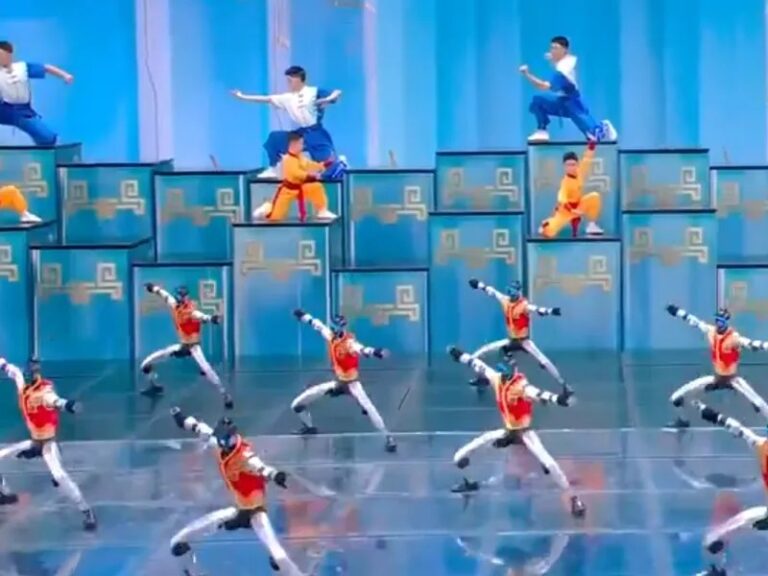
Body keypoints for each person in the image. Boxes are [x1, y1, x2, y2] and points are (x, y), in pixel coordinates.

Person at [446, 347, 585, 518]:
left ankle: (573, 498)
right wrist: (460, 356)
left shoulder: (520, 385)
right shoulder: (496, 379)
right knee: (461, 456)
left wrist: (557, 399)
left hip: (525, 433)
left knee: (550, 464)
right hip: (508, 431)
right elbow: (476, 364)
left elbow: (538, 393)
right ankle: (471, 482)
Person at [168, 408, 303, 575]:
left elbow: (259, 466)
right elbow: (199, 428)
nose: (228, 441)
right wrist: (181, 419)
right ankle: (181, 546)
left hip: (255, 510)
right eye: (225, 438)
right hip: (240, 507)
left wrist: (275, 475)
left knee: (276, 551)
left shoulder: (244, 455)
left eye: (230, 437)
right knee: (205, 524)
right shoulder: (217, 442)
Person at [0, 357, 97, 531]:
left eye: (35, 370)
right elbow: (11, 370)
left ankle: (86, 511)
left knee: (60, 476)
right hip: (34, 442)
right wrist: (3, 363)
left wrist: (68, 405)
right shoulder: (23, 387)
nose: (31, 373)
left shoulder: (44, 392)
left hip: (47, 444)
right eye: (30, 369)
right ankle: (3, 491)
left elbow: (55, 401)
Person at [291, 310, 397, 453]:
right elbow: (317, 324)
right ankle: (309, 427)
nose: (338, 329)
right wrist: (303, 316)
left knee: (370, 409)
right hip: (338, 383)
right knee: (297, 405)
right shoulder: (331, 337)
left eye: (341, 326)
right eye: (336, 326)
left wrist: (375, 352)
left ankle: (388, 437)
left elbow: (362, 349)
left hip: (352, 384)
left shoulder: (349, 343)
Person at [690, 400, 768, 576]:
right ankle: (717, 570)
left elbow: (739, 426)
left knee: (729, 529)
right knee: (725, 530)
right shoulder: (762, 445)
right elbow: (738, 428)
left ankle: (718, 568)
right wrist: (708, 412)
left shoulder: (761, 445)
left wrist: (708, 412)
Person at [665, 305, 768, 431]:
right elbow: (694, 321)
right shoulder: (711, 331)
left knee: (758, 403)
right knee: (676, 398)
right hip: (716, 379)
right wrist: (678, 312)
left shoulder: (733, 338)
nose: (719, 323)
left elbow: (752, 344)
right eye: (717, 320)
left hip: (732, 379)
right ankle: (683, 420)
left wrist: (764, 345)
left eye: (722, 321)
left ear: (726, 322)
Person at [231, 65, 346, 178]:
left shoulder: (313, 91)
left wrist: (327, 99)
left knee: (327, 166)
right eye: (288, 80)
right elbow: (267, 99)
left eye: (290, 80)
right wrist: (242, 96)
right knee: (275, 138)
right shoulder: (287, 98)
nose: (288, 83)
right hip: (300, 133)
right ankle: (274, 168)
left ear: (298, 79)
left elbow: (336, 93)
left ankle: (340, 163)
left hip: (316, 132)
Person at [139, 283, 233, 410]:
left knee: (208, 370)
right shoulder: (174, 304)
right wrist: (152, 288)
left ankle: (225, 394)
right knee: (145, 364)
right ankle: (154, 386)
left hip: (194, 348)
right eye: (180, 296)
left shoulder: (190, 311)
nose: (181, 298)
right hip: (182, 346)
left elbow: (201, 316)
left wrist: (212, 319)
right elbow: (164, 294)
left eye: (183, 296)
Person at [466, 279, 566, 390]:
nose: (511, 291)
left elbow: (536, 309)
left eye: (514, 289)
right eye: (511, 288)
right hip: (511, 340)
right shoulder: (505, 300)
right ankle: (482, 378)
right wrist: (479, 285)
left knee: (544, 361)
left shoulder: (523, 305)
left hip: (524, 341)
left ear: (518, 291)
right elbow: (492, 291)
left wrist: (550, 311)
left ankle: (563, 384)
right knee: (481, 352)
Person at [520, 36, 617, 143]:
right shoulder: (567, 60)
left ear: (564, 50)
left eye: (555, 48)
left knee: (593, 135)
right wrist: (552, 58)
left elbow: (543, 86)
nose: (552, 51)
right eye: (551, 48)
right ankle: (542, 129)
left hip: (574, 103)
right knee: (537, 101)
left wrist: (527, 74)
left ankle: (604, 128)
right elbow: (563, 58)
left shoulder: (563, 70)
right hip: (563, 101)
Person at [251, 131, 338, 222]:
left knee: (316, 187)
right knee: (276, 217)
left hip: (301, 187)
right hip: (288, 190)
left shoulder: (300, 157)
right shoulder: (288, 159)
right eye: (301, 143)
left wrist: (324, 164)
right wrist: (309, 175)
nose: (303, 146)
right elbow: (295, 174)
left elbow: (309, 165)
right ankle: (267, 208)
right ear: (293, 144)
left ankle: (322, 210)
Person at [0, 41, 73, 146]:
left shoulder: (22, 68)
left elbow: (46, 68)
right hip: (5, 109)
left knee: (47, 137)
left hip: (22, 111)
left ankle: (48, 144)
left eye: (2, 55)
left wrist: (64, 75)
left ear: (10, 55)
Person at [538, 141, 604, 237]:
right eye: (568, 165)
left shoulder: (580, 172)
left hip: (579, 205)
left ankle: (591, 225)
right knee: (549, 232)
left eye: (573, 164)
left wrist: (591, 146)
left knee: (594, 197)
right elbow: (562, 198)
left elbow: (587, 160)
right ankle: (546, 224)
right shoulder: (565, 182)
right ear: (564, 166)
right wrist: (572, 211)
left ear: (577, 164)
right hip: (566, 210)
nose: (571, 167)